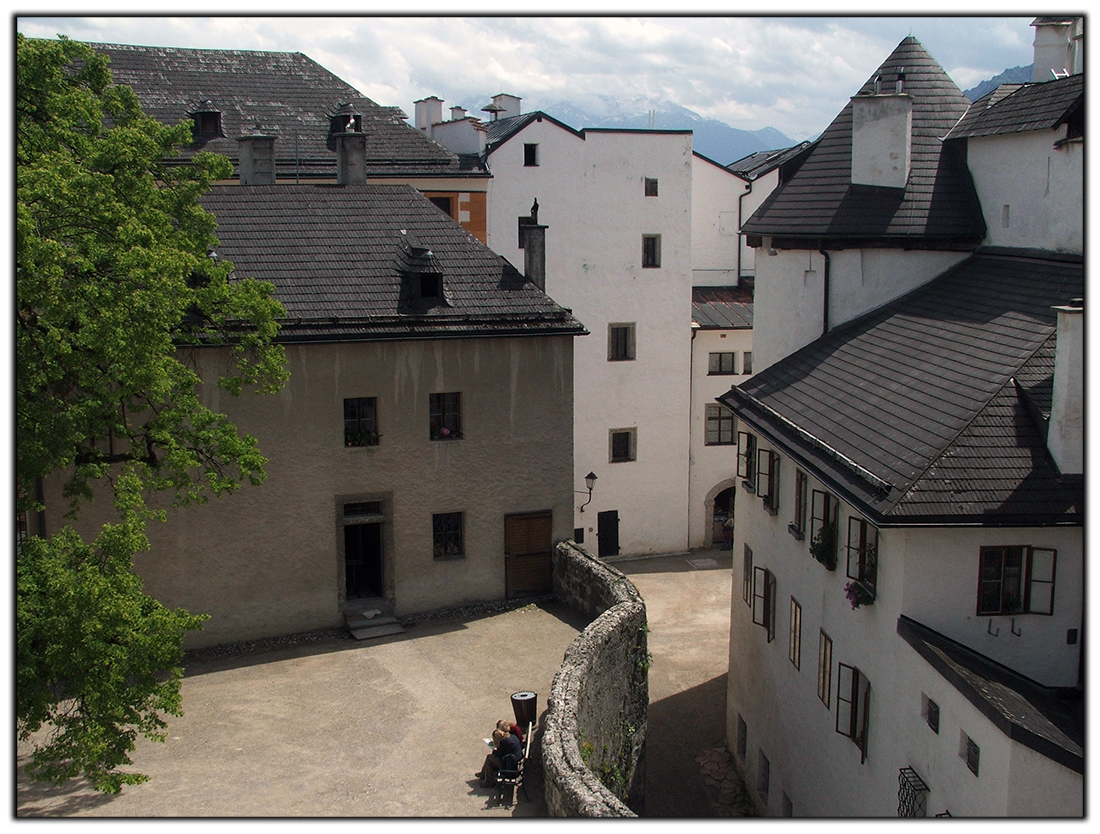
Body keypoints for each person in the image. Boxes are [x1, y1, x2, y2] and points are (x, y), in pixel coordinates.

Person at [477, 722, 523, 787]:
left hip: (509, 765)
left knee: (490, 759)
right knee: (489, 758)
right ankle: (483, 775)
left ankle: (489, 782)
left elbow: (498, 755)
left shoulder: (503, 742)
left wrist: (495, 750)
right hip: (514, 760)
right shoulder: (512, 736)